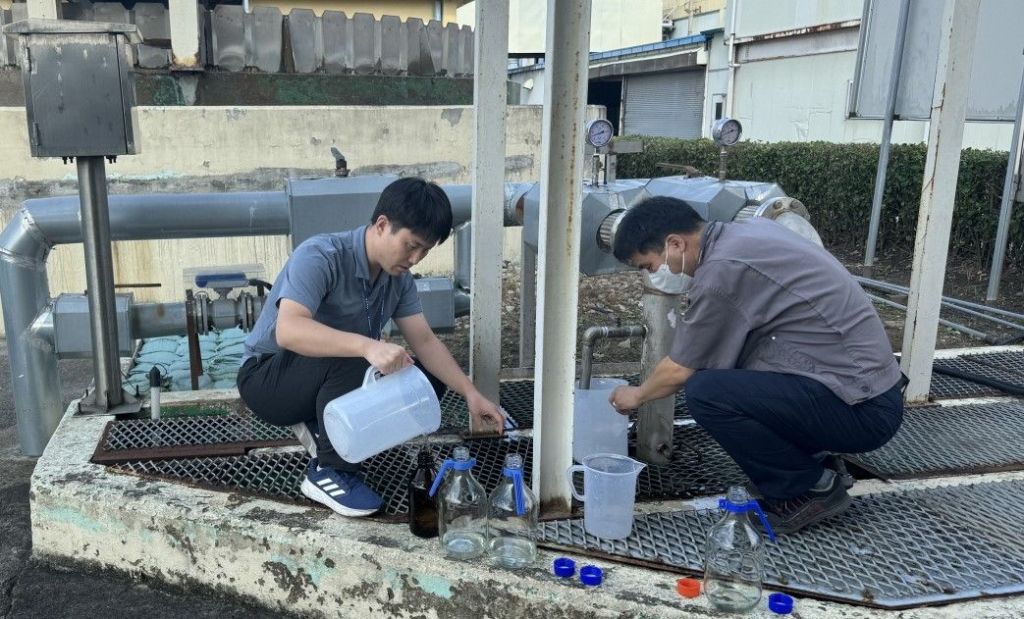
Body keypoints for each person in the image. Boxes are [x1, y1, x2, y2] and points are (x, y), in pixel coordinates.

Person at [607, 196, 904, 534]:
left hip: (864, 411)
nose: (661, 273)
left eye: (650, 265)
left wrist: (637, 395)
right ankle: (813, 463)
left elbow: (681, 368)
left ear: (675, 243)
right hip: (868, 390)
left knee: (707, 392)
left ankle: (806, 490)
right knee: (729, 369)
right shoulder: (751, 232)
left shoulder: (722, 271)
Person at [237, 177, 505, 518]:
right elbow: (288, 331)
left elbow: (425, 341)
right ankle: (329, 471)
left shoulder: (398, 279)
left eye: (425, 251)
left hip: (326, 373)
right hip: (267, 380)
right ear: (382, 225)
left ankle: (334, 425)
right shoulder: (321, 255)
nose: (416, 258)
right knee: (359, 355)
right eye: (411, 245)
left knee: (425, 379)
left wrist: (470, 393)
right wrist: (367, 346)